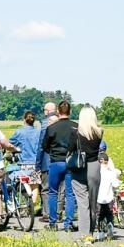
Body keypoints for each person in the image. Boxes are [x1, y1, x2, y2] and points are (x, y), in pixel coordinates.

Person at [41, 100, 78, 230]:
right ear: (70, 111)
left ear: (58, 111)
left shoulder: (51, 128)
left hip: (55, 162)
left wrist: (53, 152)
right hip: (71, 163)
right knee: (70, 194)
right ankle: (68, 223)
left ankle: (53, 223)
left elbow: (45, 146)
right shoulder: (75, 127)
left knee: (53, 193)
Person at [68, 106, 104, 235]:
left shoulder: (75, 133)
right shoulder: (99, 132)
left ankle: (84, 235)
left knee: (82, 203)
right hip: (94, 166)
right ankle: (91, 233)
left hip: (80, 167)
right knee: (93, 203)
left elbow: (70, 148)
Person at [9, 111, 45, 217]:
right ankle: (31, 207)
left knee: (21, 183)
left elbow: (9, 144)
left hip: (24, 163)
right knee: (35, 186)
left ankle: (21, 204)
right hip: (36, 163)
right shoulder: (39, 132)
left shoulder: (19, 132)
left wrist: (16, 149)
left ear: (24, 119)